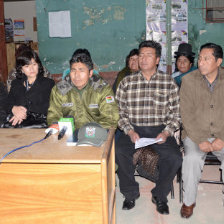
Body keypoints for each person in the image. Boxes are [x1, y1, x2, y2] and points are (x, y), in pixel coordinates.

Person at [115, 40, 182, 215]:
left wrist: (167, 132)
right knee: (119, 151)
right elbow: (119, 112)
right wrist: (129, 130)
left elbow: (176, 114)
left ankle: (160, 195)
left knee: (175, 157)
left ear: (157, 59)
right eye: (141, 55)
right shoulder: (127, 83)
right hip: (133, 129)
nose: (143, 59)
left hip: (159, 130)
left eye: (148, 55)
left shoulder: (168, 82)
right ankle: (130, 193)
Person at [180, 42, 224, 218]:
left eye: (206, 58)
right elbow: (186, 114)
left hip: (221, 133)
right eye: (200, 58)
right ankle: (188, 202)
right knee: (191, 159)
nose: (201, 62)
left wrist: (222, 137)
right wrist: (200, 139)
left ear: (218, 61)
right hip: (195, 134)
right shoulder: (188, 81)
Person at [47, 49, 119, 129]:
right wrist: (57, 127)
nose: (76, 75)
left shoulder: (102, 89)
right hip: (67, 136)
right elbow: (53, 116)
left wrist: (90, 134)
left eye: (81, 71)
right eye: (73, 70)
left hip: (95, 136)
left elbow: (110, 118)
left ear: (90, 73)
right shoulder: (59, 90)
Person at [5, 49, 55, 127]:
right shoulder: (16, 83)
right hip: (18, 122)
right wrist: (13, 109)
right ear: (21, 69)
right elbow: (7, 103)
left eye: (34, 64)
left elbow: (48, 107)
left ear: (38, 65)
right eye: (27, 66)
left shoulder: (49, 83)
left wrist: (22, 112)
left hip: (39, 123)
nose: (31, 69)